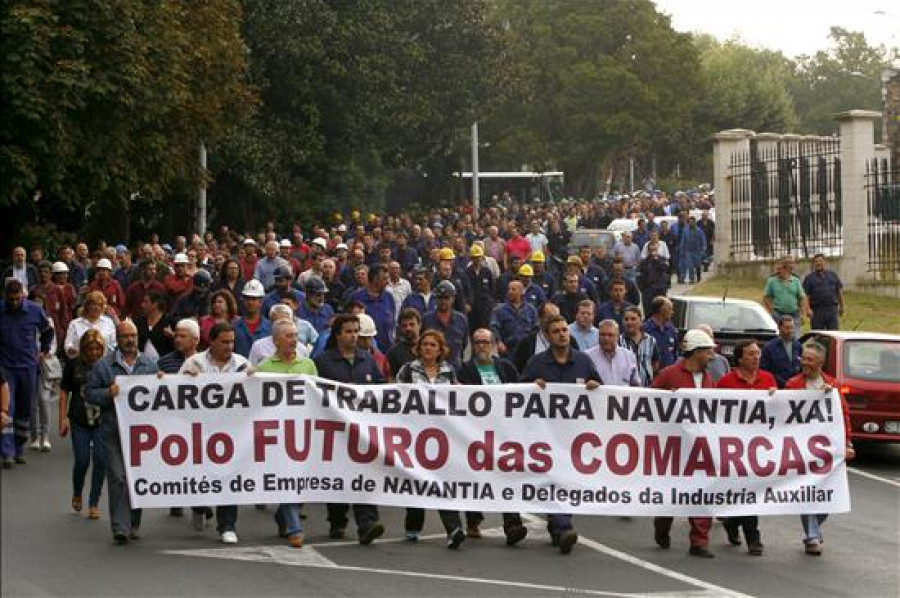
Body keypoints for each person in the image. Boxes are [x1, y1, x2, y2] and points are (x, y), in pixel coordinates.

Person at [520, 314, 602, 555]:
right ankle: (563, 526)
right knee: (553, 479)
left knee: (567, 480)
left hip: (575, 436)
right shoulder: (537, 363)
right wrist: (532, 386)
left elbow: (601, 388)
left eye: (565, 329)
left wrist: (594, 386)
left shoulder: (583, 361)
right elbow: (518, 393)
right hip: (545, 435)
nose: (562, 334)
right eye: (556, 331)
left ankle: (558, 529)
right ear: (547, 336)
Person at [313, 314, 386, 545]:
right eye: (349, 331)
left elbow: (380, 389)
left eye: (356, 331)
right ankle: (337, 519)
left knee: (364, 476)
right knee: (338, 478)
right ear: (338, 334)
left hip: (363, 431)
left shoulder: (368, 359)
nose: (354, 336)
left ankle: (367, 523)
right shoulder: (323, 362)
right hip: (334, 431)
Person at [85, 321, 157, 544]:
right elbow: (89, 393)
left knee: (136, 478)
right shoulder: (103, 366)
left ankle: (134, 522)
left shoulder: (149, 365)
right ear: (118, 338)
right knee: (117, 477)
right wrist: (108, 393)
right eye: (125, 336)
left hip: (141, 435)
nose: (130, 340)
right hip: (113, 430)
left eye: (133, 336)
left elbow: (159, 394)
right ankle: (120, 527)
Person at [179, 322, 252, 544]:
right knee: (199, 475)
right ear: (211, 341)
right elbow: (174, 395)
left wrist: (255, 379)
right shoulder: (193, 363)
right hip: (200, 432)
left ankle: (227, 526)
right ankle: (200, 506)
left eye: (232, 341)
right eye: (224, 342)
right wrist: (185, 380)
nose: (229, 346)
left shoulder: (242, 364)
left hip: (231, 434)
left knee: (229, 476)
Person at [395, 330, 467, 549]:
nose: (428, 348)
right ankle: (413, 525)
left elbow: (458, 397)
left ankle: (453, 529)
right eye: (424, 344)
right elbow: (394, 396)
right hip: (415, 435)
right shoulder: (408, 370)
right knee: (418, 480)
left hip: (443, 435)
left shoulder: (448, 371)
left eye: (432, 345)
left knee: (442, 481)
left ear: (440, 349)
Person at [651, 329, 717, 558]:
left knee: (702, 491)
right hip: (673, 445)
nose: (712, 355)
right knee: (672, 492)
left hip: (700, 445)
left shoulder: (709, 379)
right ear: (695, 352)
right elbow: (647, 402)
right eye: (708, 351)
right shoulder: (669, 374)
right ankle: (662, 526)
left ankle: (699, 541)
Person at [785, 340, 854, 556]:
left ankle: (815, 528)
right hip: (800, 449)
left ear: (821, 363)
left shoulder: (833, 386)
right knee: (807, 492)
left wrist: (848, 443)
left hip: (827, 450)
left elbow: (843, 416)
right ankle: (812, 536)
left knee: (827, 495)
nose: (804, 363)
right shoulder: (792, 384)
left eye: (810, 360)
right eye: (803, 358)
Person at [257, 319, 318, 549]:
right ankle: (295, 528)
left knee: (299, 484)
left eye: (295, 335)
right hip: (276, 434)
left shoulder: (308, 366)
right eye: (289, 336)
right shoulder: (264, 368)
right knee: (288, 477)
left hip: (303, 432)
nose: (294, 340)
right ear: (275, 341)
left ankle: (283, 516)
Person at [715, 339, 776, 556]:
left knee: (752, 490)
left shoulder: (767, 379)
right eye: (750, 354)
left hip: (759, 447)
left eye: (757, 353)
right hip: (734, 446)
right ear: (740, 357)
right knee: (741, 490)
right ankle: (746, 532)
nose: (755, 357)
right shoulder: (726, 382)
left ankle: (744, 531)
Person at [0, 279, 55, 467]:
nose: (14, 302)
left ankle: (19, 448)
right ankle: (6, 451)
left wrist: (44, 350)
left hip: (28, 366)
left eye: (17, 298)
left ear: (22, 295)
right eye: (11, 299)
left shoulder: (34, 309)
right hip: (5, 368)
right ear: (5, 296)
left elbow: (48, 331)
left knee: (24, 409)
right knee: (8, 408)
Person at [59, 330, 108, 519]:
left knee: (101, 459)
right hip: (79, 419)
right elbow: (64, 392)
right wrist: (63, 418)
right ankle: (77, 492)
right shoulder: (73, 365)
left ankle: (94, 502)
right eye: (90, 348)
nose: (94, 352)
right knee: (82, 460)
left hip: (101, 420)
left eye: (98, 348)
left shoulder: (106, 366)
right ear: (83, 348)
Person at [422, 280, 469, 371]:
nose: (443, 301)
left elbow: (464, 344)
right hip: (432, 370)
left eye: (446, 298)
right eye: (440, 297)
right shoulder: (426, 319)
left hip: (456, 369)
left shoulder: (461, 319)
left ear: (453, 299)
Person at [350, 263, 396, 352]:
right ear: (375, 279)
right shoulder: (356, 297)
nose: (388, 282)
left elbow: (393, 323)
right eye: (384, 279)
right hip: (363, 349)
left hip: (386, 349)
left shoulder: (389, 297)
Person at [763, 255, 809, 340]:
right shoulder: (772, 281)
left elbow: (802, 297)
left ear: (786, 270)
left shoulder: (795, 281)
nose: (778, 271)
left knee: (796, 338)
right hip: (778, 314)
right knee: (779, 338)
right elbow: (765, 297)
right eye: (777, 269)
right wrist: (772, 310)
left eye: (780, 269)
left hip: (794, 314)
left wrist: (802, 313)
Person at [490, 280, 538, 357]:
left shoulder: (531, 310)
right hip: (507, 349)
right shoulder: (499, 310)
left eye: (513, 289)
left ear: (522, 292)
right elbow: (494, 327)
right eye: (509, 289)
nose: (510, 292)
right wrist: (499, 342)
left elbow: (536, 328)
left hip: (527, 351)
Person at [64, 291, 118, 359]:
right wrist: (72, 350)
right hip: (80, 362)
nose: (96, 308)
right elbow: (68, 344)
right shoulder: (74, 324)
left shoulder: (108, 322)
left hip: (104, 362)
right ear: (87, 305)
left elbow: (114, 344)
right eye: (93, 304)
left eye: (99, 305)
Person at [585, 320, 639, 386]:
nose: (606, 338)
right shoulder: (587, 356)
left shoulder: (629, 356)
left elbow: (636, 385)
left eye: (610, 335)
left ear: (617, 336)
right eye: (602, 334)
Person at [618, 306, 660, 387]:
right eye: (626, 319)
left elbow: (655, 364)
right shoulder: (618, 341)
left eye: (633, 319)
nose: (629, 322)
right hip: (625, 389)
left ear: (641, 321)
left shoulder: (651, 341)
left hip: (647, 388)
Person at [802, 254, 844, 330]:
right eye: (816, 261)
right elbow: (806, 296)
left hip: (832, 309)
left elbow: (839, 292)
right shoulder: (809, 278)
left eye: (820, 261)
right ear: (814, 264)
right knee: (818, 335)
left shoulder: (833, 275)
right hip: (817, 311)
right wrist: (808, 309)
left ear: (825, 262)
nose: (818, 263)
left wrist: (842, 306)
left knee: (833, 334)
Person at [760, 315, 802, 388]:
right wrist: (783, 383)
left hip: (795, 387)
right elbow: (764, 370)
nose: (790, 331)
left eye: (792, 328)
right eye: (787, 328)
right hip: (777, 387)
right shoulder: (769, 347)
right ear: (779, 328)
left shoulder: (797, 345)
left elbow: (801, 366)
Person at [133, 291, 174, 361]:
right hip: (142, 365)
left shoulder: (169, 321)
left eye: (146, 302)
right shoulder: (138, 322)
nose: (142, 305)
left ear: (155, 304)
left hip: (164, 364)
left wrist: (172, 335)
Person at [234, 279, 270, 357]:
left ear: (260, 302)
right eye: (247, 298)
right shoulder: (234, 327)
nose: (250, 302)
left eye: (254, 299)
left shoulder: (270, 327)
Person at [644, 297, 678, 369]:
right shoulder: (646, 329)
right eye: (670, 309)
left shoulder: (671, 329)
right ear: (662, 310)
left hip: (669, 372)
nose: (672, 312)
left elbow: (675, 351)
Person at [387, 308, 420, 377]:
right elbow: (391, 378)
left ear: (419, 325)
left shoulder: (429, 347)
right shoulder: (394, 353)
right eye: (404, 325)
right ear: (400, 328)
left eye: (412, 324)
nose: (408, 328)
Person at [677, 216, 707, 284]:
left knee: (697, 265)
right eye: (689, 222)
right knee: (690, 266)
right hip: (688, 251)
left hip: (697, 251)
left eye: (692, 222)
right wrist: (682, 249)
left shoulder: (699, 230)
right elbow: (683, 241)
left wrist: (704, 248)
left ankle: (699, 277)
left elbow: (703, 240)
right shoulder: (685, 230)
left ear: (695, 222)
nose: (691, 223)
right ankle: (691, 279)